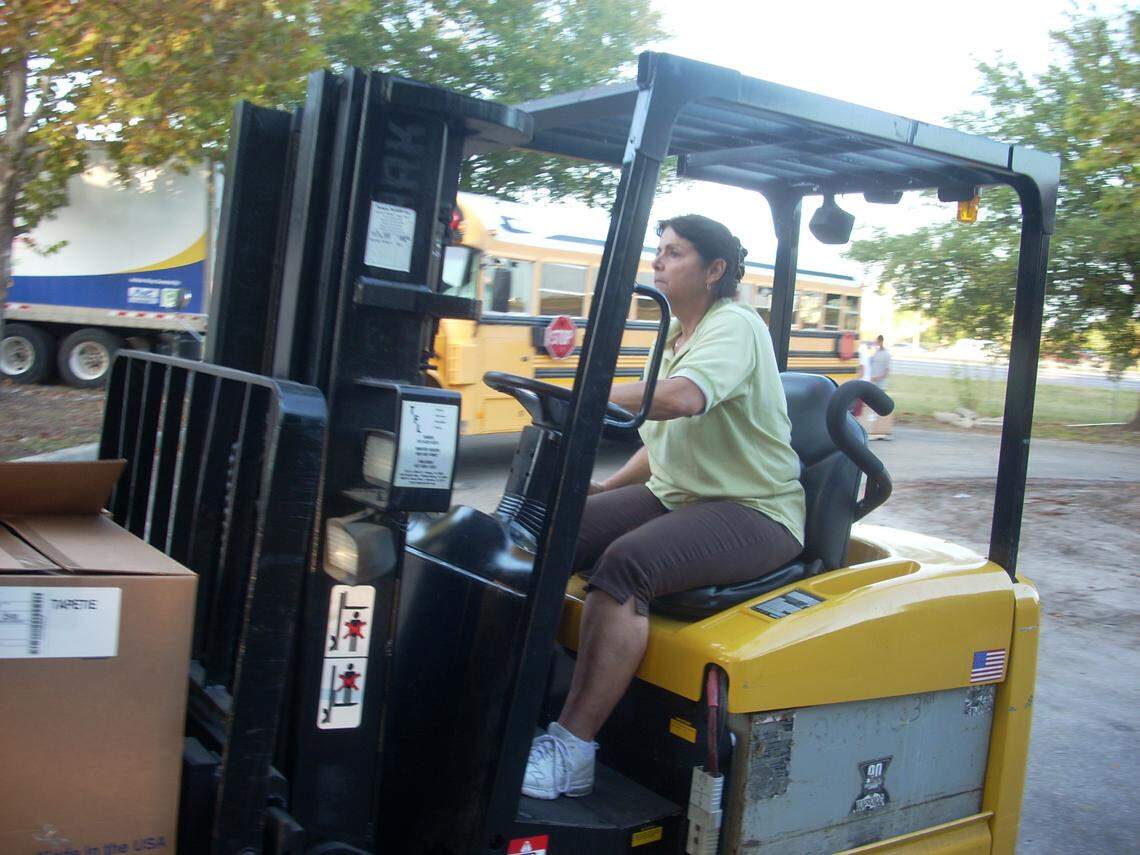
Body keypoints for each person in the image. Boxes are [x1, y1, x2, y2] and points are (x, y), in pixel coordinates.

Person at [522, 215, 806, 800]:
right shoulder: (678, 337)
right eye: (659, 251)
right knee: (548, 530)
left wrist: (584, 392)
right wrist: (603, 489)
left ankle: (572, 749)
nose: (658, 262)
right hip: (679, 496)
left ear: (715, 270)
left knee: (626, 566)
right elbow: (658, 446)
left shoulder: (735, 326)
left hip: (755, 510)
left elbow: (680, 400)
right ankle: (520, 699)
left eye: (674, 253)